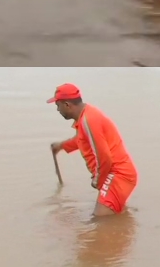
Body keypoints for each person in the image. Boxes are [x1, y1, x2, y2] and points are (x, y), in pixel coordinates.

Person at [48, 83, 138, 216]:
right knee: (116, 219)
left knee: (99, 222)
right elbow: (81, 140)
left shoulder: (88, 120)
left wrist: (98, 181)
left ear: (67, 104)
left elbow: (104, 157)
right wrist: (61, 146)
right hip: (115, 175)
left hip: (117, 175)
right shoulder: (86, 116)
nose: (57, 109)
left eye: (58, 105)